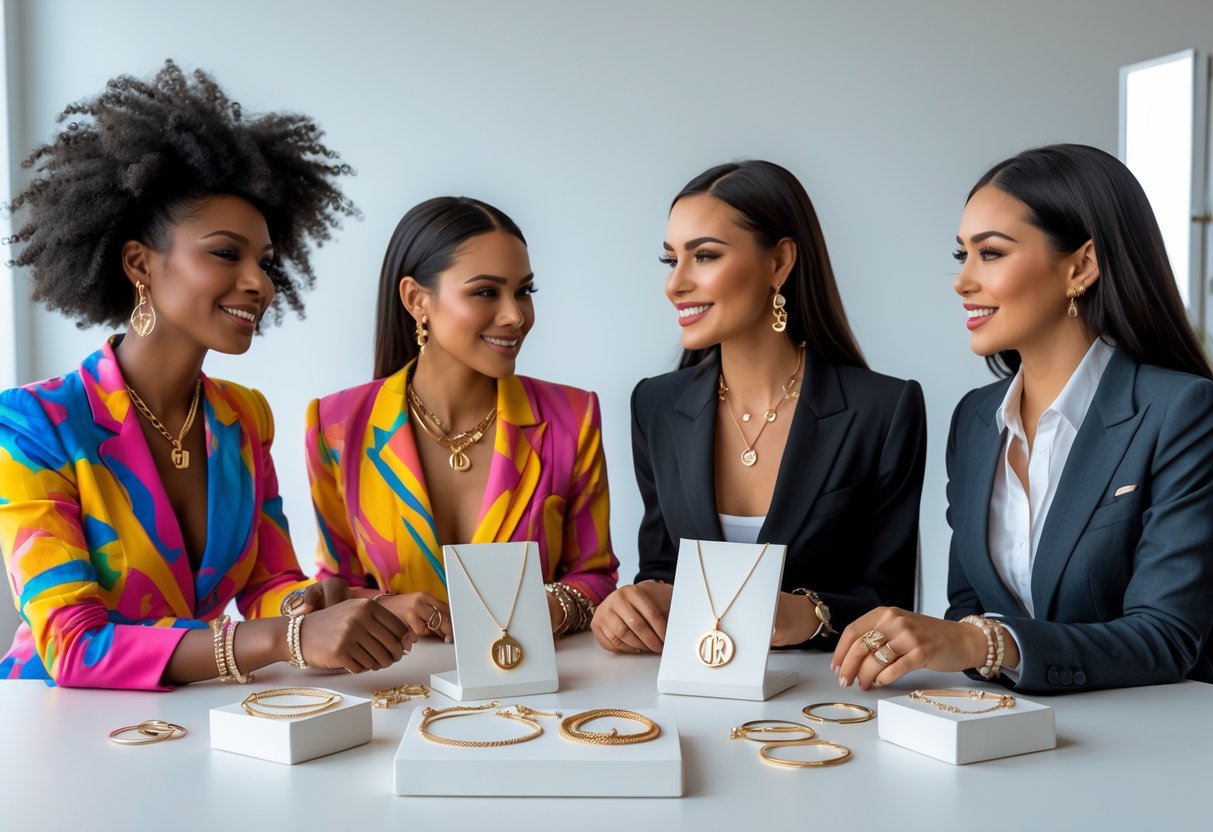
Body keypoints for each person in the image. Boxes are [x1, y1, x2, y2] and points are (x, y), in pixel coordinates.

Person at [0, 61, 414, 689]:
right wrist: (286, 638)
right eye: (226, 253)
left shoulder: (243, 418)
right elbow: (73, 646)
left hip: (187, 724)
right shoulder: (34, 425)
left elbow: (267, 585)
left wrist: (336, 606)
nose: (258, 283)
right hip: (56, 733)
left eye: (267, 262)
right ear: (140, 263)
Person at [834, 144, 1213, 692]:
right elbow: (969, 605)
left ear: (1081, 266)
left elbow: (1169, 636)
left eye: (990, 253)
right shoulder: (974, 420)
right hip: (1013, 738)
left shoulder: (1181, 411)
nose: (962, 281)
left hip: (1150, 745)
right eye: (962, 253)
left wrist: (982, 641)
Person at [592, 160, 927, 654]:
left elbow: (892, 604)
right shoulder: (655, 405)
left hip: (828, 702)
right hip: (690, 695)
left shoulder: (883, 409)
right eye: (671, 260)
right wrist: (631, 607)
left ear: (779, 263)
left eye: (704, 256)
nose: (675, 284)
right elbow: (663, 574)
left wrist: (812, 614)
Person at [303, 196, 619, 639]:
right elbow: (333, 589)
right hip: (395, 684)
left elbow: (597, 575)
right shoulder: (336, 425)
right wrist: (389, 606)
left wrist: (544, 610)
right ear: (417, 299)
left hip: (528, 684)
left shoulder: (573, 417)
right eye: (486, 292)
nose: (515, 315)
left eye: (524, 291)